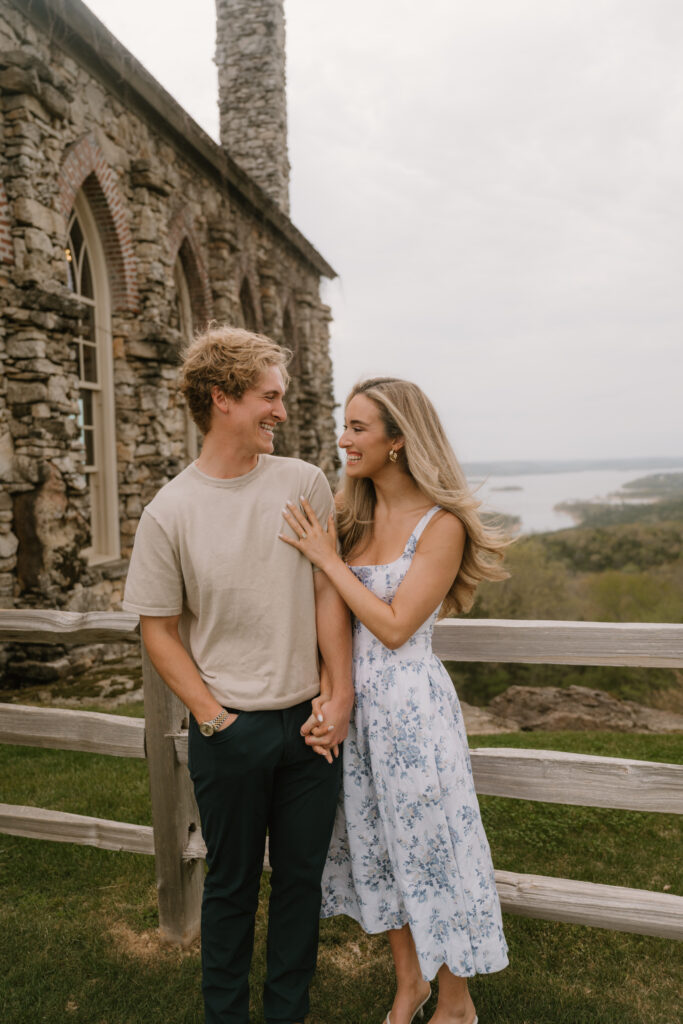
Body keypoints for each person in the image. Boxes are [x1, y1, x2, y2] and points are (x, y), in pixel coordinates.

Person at [123, 325, 353, 1024]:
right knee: (230, 887)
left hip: (310, 729)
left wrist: (337, 694)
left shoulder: (302, 482)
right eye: (268, 397)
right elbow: (158, 630)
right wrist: (213, 717)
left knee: (300, 885)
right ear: (222, 398)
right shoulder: (170, 511)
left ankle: (287, 1013)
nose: (281, 410)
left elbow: (325, 590)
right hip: (229, 734)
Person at [280, 377, 509, 1024]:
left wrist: (328, 560)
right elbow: (327, 608)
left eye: (357, 428)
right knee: (376, 847)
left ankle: (457, 1002)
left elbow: (394, 626)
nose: (343, 439)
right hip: (353, 706)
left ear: (398, 441)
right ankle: (409, 985)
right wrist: (331, 691)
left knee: (433, 850)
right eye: (344, 425)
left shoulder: (442, 526)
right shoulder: (349, 518)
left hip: (412, 711)